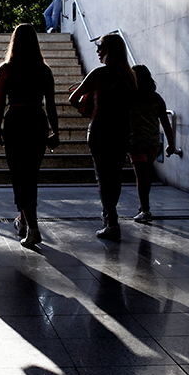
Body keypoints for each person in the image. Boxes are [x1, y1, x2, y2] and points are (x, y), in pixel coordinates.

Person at [0, 23, 59, 247]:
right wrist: (56, 131)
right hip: (36, 121)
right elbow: (50, 104)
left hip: (15, 121)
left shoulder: (6, 69)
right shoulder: (44, 70)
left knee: (19, 176)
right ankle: (24, 221)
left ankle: (32, 227)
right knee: (30, 175)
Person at [68, 33, 136, 241]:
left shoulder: (99, 74)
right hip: (122, 129)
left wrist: (87, 110)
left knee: (103, 177)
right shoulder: (129, 77)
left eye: (100, 48)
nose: (97, 51)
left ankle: (111, 221)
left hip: (100, 129)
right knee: (115, 176)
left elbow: (73, 97)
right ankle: (110, 217)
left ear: (109, 51)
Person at [128, 64, 179, 223]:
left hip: (136, 141)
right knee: (146, 175)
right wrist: (171, 144)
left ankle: (145, 209)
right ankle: (144, 206)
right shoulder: (156, 98)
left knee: (141, 176)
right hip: (153, 143)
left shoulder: (130, 96)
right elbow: (165, 123)